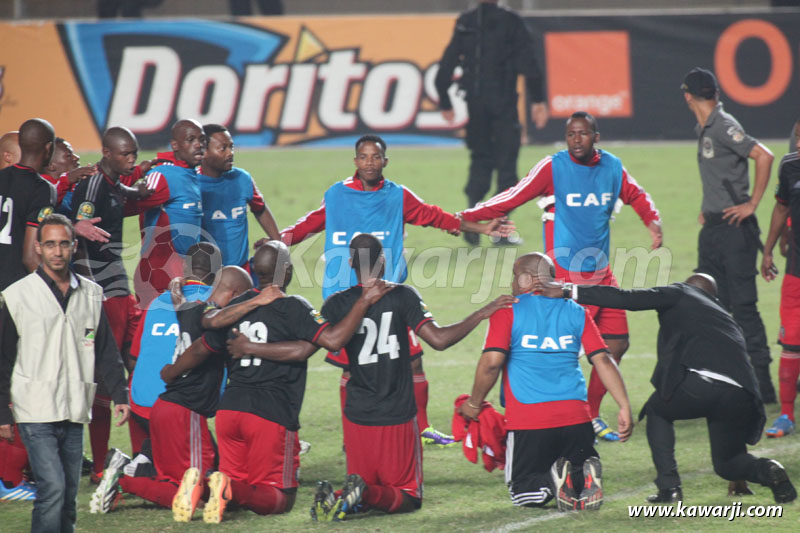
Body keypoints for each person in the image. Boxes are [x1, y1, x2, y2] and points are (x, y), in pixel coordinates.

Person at [281, 134, 512, 446]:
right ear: (355, 161)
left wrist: (482, 227)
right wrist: (277, 243)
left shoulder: (397, 196)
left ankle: (422, 427)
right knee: (352, 365)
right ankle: (353, 432)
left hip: (388, 294)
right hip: (345, 297)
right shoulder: (337, 194)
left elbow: (435, 216)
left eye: (376, 157)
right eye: (363, 157)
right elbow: (308, 224)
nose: (370, 163)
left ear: (385, 161)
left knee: (414, 358)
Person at [460, 111, 661, 442]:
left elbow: (636, 194)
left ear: (596, 136)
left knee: (617, 343)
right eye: (571, 134)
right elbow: (512, 196)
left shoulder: (611, 166)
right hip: (562, 276)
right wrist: (466, 218)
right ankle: (517, 400)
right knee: (555, 349)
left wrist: (652, 220)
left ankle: (591, 414)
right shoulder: (552, 167)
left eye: (582, 134)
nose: (576, 139)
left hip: (601, 273)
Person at [158, 241, 392, 523]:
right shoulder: (293, 307)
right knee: (279, 498)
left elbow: (201, 343)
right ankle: (211, 487)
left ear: (255, 271)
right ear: (288, 271)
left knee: (240, 492)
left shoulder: (236, 307)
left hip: (230, 412)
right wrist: (364, 301)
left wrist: (171, 373)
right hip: (270, 413)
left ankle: (206, 488)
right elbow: (332, 340)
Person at [537, 272, 796, 504]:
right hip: (743, 394)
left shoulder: (680, 292)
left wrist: (570, 290)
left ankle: (669, 488)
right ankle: (769, 470)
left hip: (705, 383)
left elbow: (627, 298)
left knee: (658, 410)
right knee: (728, 463)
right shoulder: (724, 317)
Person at [458, 252, 631, 511]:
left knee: (522, 492)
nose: (512, 284)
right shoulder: (577, 311)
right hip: (578, 418)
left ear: (526, 278)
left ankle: (552, 483)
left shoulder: (507, 311)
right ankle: (578, 479)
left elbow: (492, 363)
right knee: (576, 469)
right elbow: (604, 361)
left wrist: (474, 403)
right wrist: (624, 405)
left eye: (515, 278)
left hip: (529, 419)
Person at [90, 266, 258, 519]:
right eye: (241, 296)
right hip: (185, 410)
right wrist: (171, 372)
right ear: (231, 292)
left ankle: (125, 474)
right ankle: (129, 472)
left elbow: (135, 356)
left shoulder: (182, 307)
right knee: (199, 488)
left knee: (171, 482)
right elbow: (200, 349)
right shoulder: (214, 321)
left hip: (156, 405)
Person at [0, 214, 130, 532]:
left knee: (68, 494)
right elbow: (3, 358)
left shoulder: (92, 293)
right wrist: (3, 411)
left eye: (63, 244)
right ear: (39, 248)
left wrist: (119, 395)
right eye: (50, 244)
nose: (57, 252)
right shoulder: (17, 296)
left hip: (74, 408)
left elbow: (106, 351)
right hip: (34, 409)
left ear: (73, 246)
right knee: (53, 488)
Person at [681, 67, 776, 402]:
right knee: (708, 307)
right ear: (716, 93)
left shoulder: (723, 125)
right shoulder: (706, 127)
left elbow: (764, 156)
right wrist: (710, 208)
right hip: (715, 228)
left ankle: (763, 387)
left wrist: (752, 203)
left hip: (735, 232)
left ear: (687, 96)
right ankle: (723, 381)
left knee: (743, 308)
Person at [435, 0, 548, 246]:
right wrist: (538, 99)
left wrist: (445, 100)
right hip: (504, 106)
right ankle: (499, 230)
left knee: (480, 162)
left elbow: (447, 63)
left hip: (476, 107)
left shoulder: (466, 22)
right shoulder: (511, 22)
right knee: (507, 169)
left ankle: (472, 225)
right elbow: (528, 63)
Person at [126, 242, 222, 455]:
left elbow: (134, 359)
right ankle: (135, 470)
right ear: (218, 274)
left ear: (185, 269)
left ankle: (142, 461)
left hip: (140, 403)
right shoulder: (218, 305)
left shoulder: (157, 302)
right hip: (180, 408)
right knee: (207, 472)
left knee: (165, 461)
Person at [129, 119, 206, 308]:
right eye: (190, 140)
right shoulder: (164, 175)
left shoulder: (191, 174)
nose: (198, 144)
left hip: (183, 272)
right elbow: (128, 206)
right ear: (175, 145)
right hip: (160, 273)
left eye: (201, 139)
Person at [760, 117, 800, 437]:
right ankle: (786, 415)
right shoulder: (789, 167)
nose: (798, 144)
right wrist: (769, 249)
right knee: (790, 344)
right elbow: (781, 208)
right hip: (796, 274)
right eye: (797, 137)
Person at [198, 123, 280, 267]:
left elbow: (260, 209)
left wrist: (278, 243)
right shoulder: (192, 184)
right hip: (205, 276)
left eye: (232, 147)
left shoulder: (242, 179)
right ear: (204, 151)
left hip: (240, 273)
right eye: (223, 148)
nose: (230, 153)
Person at [42, 138, 95, 216]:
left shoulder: (72, 185)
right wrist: (67, 179)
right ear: (51, 165)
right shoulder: (39, 185)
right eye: (69, 155)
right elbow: (45, 203)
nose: (76, 157)